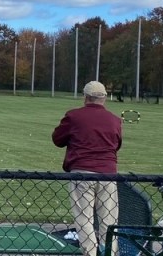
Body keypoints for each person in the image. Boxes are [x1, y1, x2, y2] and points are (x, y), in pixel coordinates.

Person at [52, 80, 123, 256]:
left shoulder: (74, 116)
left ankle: (90, 253)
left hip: (82, 172)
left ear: (85, 97)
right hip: (108, 174)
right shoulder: (114, 120)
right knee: (109, 219)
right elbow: (117, 144)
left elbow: (57, 139)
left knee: (84, 218)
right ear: (104, 98)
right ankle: (109, 253)